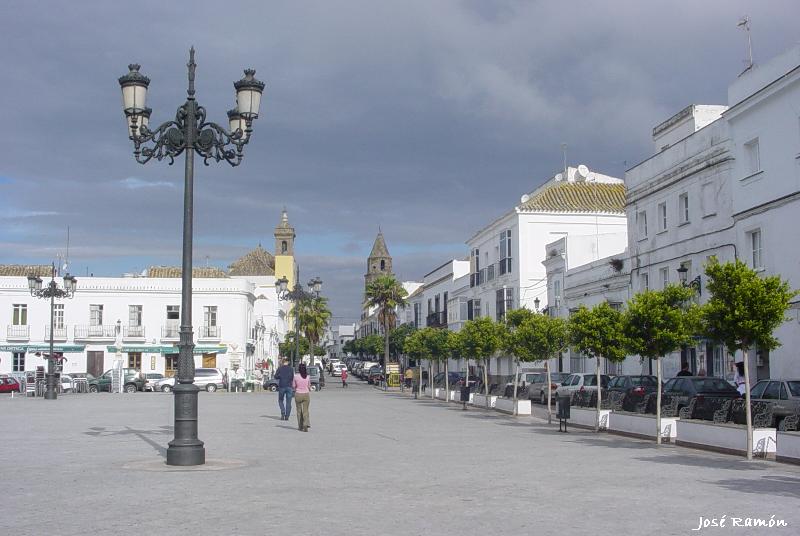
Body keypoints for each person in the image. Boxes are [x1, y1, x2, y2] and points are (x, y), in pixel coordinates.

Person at [293, 363, 312, 432]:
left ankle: (300, 426)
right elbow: (309, 386)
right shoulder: (308, 377)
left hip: (298, 394)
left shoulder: (295, 376)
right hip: (306, 394)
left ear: (299, 369)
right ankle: (305, 424)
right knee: (305, 410)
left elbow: (293, 386)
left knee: (299, 410)